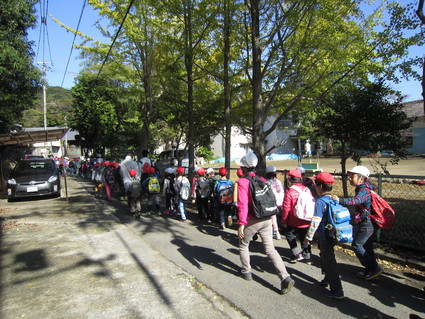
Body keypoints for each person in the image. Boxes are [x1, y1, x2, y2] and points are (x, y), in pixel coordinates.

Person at [237, 151, 295, 295]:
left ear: (243, 168)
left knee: (243, 245)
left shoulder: (243, 182)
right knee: (270, 249)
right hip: (267, 218)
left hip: (252, 220)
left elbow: (242, 204)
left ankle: (246, 272)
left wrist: (241, 224)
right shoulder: (262, 179)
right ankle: (285, 277)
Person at [332, 166, 383, 280]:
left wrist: (339, 200)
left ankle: (374, 268)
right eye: (350, 176)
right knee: (366, 246)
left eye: (352, 176)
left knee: (357, 245)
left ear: (361, 178)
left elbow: (356, 201)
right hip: (370, 221)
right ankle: (370, 271)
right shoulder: (365, 188)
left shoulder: (364, 190)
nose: (350, 179)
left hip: (367, 222)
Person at [304, 172, 345, 300]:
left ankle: (337, 290)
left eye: (315, 184)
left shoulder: (321, 202)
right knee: (325, 255)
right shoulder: (333, 198)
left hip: (325, 236)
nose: (314, 186)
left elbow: (315, 221)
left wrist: (308, 237)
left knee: (329, 259)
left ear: (320, 186)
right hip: (333, 234)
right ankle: (327, 278)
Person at [282, 169, 313, 264]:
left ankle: (296, 253)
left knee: (289, 234)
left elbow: (286, 208)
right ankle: (307, 256)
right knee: (305, 237)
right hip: (306, 219)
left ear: (290, 179)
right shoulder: (306, 189)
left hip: (294, 219)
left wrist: (284, 220)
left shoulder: (290, 191)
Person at [266, 165, 284, 240]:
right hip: (281, 201)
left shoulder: (268, 183)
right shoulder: (279, 182)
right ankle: (276, 230)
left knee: (273, 217)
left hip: (273, 202)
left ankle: (276, 231)